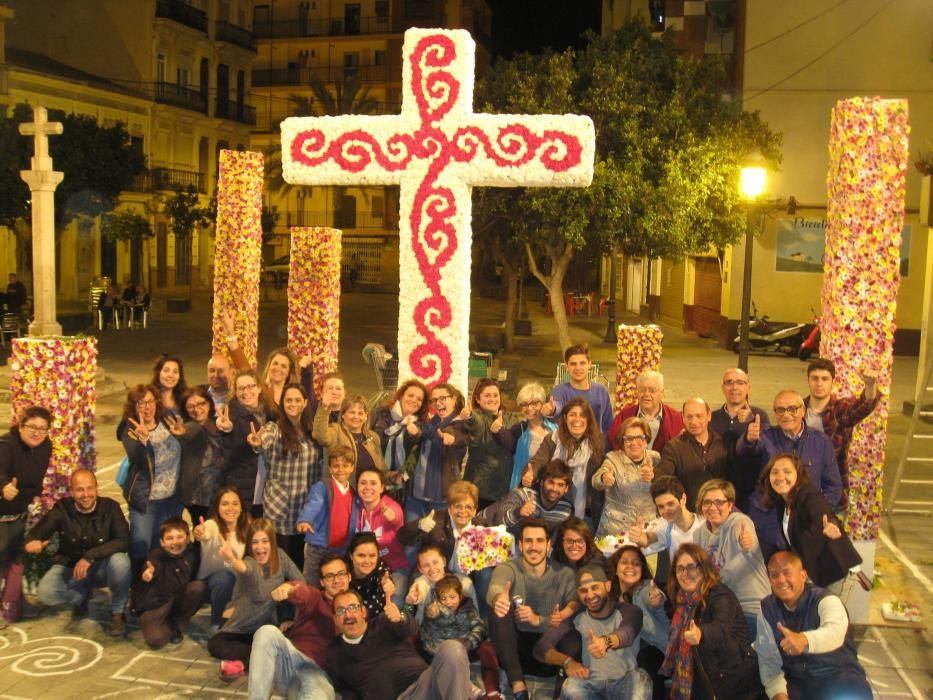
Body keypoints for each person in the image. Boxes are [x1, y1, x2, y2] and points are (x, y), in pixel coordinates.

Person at [25, 469, 130, 636]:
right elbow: (39, 531)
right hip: (71, 567)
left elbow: (123, 541)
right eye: (80, 490)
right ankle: (81, 597)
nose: (86, 494)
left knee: (121, 562)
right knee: (46, 593)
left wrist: (90, 557)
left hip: (101, 567)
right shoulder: (62, 509)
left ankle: (118, 613)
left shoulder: (111, 507)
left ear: (97, 488)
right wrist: (34, 540)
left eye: (90, 488)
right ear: (72, 492)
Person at [756, 551, 872, 700]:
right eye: (774, 575)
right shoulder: (767, 610)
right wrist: (778, 694)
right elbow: (768, 662)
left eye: (787, 573)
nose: (781, 580)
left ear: (803, 576)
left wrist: (805, 639)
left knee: (853, 691)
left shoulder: (827, 601)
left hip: (838, 675)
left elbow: (835, 632)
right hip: (797, 681)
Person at [487, 518, 578, 700]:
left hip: (548, 653)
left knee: (574, 633)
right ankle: (517, 684)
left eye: (539, 541)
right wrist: (499, 599)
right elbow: (495, 588)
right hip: (514, 653)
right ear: (520, 545)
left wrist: (539, 620)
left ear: (548, 545)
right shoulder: (508, 568)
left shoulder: (565, 574)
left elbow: (575, 604)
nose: (534, 547)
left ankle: (562, 692)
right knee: (497, 612)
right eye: (528, 541)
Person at [329, 588, 476, 700]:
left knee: (453, 648)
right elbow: (347, 693)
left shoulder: (383, 621)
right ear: (335, 619)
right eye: (341, 611)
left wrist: (400, 617)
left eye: (353, 608)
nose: (348, 615)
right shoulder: (335, 653)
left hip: (426, 683)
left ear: (363, 611)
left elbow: (410, 628)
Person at [536, 561, 651, 700]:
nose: (590, 595)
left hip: (624, 682)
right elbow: (541, 648)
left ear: (607, 586)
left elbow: (628, 632)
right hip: (591, 686)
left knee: (641, 679)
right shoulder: (576, 617)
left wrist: (606, 642)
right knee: (570, 686)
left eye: (595, 587)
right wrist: (567, 662)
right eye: (583, 591)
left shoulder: (628, 610)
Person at [662, 543, 764, 700]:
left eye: (691, 567)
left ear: (703, 569)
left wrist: (701, 633)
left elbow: (721, 628)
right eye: (679, 568)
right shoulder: (682, 604)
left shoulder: (720, 595)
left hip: (734, 686)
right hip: (704, 685)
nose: (685, 574)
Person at [208, 518, 304, 680]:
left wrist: (289, 587)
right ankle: (253, 661)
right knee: (215, 645)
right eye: (254, 542)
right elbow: (244, 569)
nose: (260, 547)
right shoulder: (249, 562)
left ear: (272, 542)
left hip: (262, 627)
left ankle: (247, 662)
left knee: (289, 639)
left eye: (265, 541)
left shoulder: (280, 556)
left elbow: (302, 583)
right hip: (237, 629)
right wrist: (231, 559)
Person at [752, 454, 862, 592]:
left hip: (834, 572)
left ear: (798, 474)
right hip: (814, 574)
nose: (780, 477)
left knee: (828, 613)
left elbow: (823, 517)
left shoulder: (809, 496)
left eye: (787, 471)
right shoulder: (783, 502)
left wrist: (831, 527)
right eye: (775, 472)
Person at [247, 553, 351, 700]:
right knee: (267, 632)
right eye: (329, 576)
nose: (336, 580)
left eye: (341, 574)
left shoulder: (356, 611)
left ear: (349, 577)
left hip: (318, 675)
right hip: (290, 660)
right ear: (322, 582)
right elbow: (303, 591)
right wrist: (288, 588)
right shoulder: (316, 597)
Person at [248, 383, 319, 569]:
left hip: (305, 509)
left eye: (297, 400)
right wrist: (257, 442)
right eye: (288, 400)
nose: (293, 404)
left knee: (298, 561)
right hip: (280, 510)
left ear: (305, 403)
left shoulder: (313, 431)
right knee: (278, 563)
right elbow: (264, 440)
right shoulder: (274, 428)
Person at [117, 384, 184, 578]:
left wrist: (184, 434)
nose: (147, 407)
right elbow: (136, 457)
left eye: (150, 402)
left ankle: (156, 588)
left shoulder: (167, 418)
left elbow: (185, 441)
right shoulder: (129, 428)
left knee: (160, 546)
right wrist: (144, 441)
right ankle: (136, 582)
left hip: (172, 498)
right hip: (146, 498)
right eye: (141, 403)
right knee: (141, 543)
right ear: (133, 406)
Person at [739, 390, 843, 507]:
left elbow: (833, 487)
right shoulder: (765, 436)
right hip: (770, 513)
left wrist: (817, 510)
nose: (786, 415)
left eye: (792, 409)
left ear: (803, 411)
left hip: (806, 514)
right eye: (780, 410)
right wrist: (749, 439)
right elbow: (743, 451)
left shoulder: (821, 442)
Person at [694, 479, 770, 636]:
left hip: (751, 607)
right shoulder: (699, 534)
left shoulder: (739, 522)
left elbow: (748, 543)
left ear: (730, 505)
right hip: (722, 609)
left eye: (719, 502)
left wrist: (748, 544)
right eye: (707, 502)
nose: (712, 507)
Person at [0, 406, 52, 623]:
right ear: (20, 426)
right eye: (32, 427)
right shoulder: (6, 445)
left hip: (22, 512)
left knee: (17, 557)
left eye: (43, 429)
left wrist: (37, 497)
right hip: (3, 511)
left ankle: (11, 604)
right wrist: (3, 487)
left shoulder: (45, 446)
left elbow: (37, 478)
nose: (37, 433)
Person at [803, 359, 879, 499]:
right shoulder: (798, 409)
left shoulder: (841, 409)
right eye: (815, 378)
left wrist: (870, 385)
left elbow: (864, 406)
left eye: (825, 379)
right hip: (801, 492)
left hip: (832, 493)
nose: (819, 384)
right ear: (808, 380)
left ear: (833, 381)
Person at [419, 574, 503, 699]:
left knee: (487, 648)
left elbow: (479, 627)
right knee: (449, 669)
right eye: (443, 598)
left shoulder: (468, 608)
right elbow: (429, 638)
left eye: (452, 597)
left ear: (460, 596)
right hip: (446, 655)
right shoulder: (433, 611)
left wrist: (469, 642)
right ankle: (472, 691)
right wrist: (432, 618)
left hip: (467, 647)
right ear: (438, 599)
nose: (448, 602)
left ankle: (493, 691)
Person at [529, 397, 606, 522]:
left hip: (589, 512)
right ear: (565, 418)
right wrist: (531, 474)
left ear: (589, 419)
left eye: (582, 415)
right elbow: (538, 463)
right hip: (556, 508)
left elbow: (608, 466)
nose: (577, 419)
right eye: (572, 415)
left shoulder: (600, 442)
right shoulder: (553, 438)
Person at [135, 517, 207, 649]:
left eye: (180, 537)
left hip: (176, 599)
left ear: (187, 538)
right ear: (162, 542)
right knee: (156, 641)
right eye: (169, 538)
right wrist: (148, 573)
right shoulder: (156, 555)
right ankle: (164, 623)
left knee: (198, 587)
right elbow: (151, 566)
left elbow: (200, 545)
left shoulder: (191, 554)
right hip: (156, 604)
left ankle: (178, 624)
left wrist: (201, 535)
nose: (175, 542)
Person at [609, 546, 670, 700]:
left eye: (636, 563)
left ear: (642, 570)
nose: (630, 567)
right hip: (626, 653)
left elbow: (654, 598)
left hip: (656, 651)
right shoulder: (611, 597)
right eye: (624, 562)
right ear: (616, 569)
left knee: (644, 658)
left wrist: (656, 600)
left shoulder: (644, 588)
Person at [295, 445, 360, 586]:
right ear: (330, 469)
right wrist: (305, 519)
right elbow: (313, 504)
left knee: (334, 585)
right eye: (336, 466)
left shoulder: (354, 494)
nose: (340, 469)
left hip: (341, 549)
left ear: (352, 468)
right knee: (311, 583)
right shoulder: (323, 486)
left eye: (345, 465)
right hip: (319, 547)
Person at [215, 369, 276, 516]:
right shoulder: (232, 414)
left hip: (265, 490)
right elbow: (227, 431)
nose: (246, 391)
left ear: (259, 388)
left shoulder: (269, 413)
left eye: (251, 386)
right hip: (242, 489)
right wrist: (226, 428)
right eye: (241, 388)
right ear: (235, 392)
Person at [404, 383, 467, 521]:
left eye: (443, 398)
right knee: (412, 538)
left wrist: (450, 438)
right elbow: (422, 432)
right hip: (416, 495)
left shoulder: (460, 424)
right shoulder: (433, 422)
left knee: (437, 540)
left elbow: (455, 434)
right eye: (434, 400)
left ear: (454, 399)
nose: (438, 403)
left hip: (441, 499)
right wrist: (414, 432)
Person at [711, 368, 770, 510]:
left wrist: (751, 423)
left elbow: (766, 447)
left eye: (740, 382)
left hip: (750, 490)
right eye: (729, 382)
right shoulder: (711, 417)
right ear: (722, 388)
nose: (734, 387)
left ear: (748, 388)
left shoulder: (759, 416)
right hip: (719, 488)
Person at [656, 398, 729, 510]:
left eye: (699, 416)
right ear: (683, 418)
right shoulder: (673, 447)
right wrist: (652, 475)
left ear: (709, 416)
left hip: (718, 512)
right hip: (687, 514)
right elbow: (663, 477)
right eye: (689, 417)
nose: (694, 422)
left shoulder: (723, 444)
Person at [591, 416, 658, 538]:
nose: (634, 443)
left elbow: (664, 485)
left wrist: (654, 476)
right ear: (622, 441)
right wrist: (604, 478)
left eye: (639, 438)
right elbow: (595, 481)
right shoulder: (613, 458)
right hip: (616, 531)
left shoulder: (655, 458)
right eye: (629, 439)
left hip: (648, 529)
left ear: (646, 439)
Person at [193, 486, 249, 631]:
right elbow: (205, 532)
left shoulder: (249, 527)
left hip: (239, 580)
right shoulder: (213, 525)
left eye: (235, 503)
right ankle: (217, 623)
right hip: (214, 583)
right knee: (224, 578)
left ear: (242, 507)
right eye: (225, 504)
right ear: (217, 508)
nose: (230, 508)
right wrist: (200, 532)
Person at [627, 475, 705, 568]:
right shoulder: (666, 526)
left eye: (670, 504)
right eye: (661, 506)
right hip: (679, 580)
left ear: (683, 499)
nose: (666, 511)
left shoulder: (705, 524)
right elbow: (647, 539)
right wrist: (638, 535)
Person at [478, 458, 574, 533]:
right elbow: (498, 521)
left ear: (566, 488)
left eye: (560, 485)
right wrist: (518, 512)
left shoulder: (565, 509)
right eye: (551, 482)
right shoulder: (522, 495)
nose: (554, 488)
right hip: (483, 526)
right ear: (541, 482)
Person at [355, 466, 407, 604]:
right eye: (363, 483)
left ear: (382, 488)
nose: (367, 487)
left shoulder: (391, 507)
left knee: (395, 602)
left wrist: (393, 518)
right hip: (363, 569)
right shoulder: (354, 508)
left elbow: (396, 518)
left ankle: (406, 617)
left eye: (373, 483)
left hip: (394, 568)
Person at [492, 381, 557, 490]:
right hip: (523, 487)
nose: (529, 408)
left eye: (534, 404)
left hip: (551, 488)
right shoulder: (519, 430)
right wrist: (496, 430)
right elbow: (506, 441)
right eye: (524, 404)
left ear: (543, 404)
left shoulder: (555, 429)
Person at [461, 378, 514, 507]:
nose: (492, 399)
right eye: (487, 395)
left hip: (505, 489)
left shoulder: (510, 418)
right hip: (480, 491)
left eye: (495, 395)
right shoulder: (478, 417)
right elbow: (474, 423)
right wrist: (468, 416)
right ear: (478, 399)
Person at [370, 379, 429, 493]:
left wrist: (415, 435)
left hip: (399, 485)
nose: (414, 400)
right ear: (401, 396)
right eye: (410, 395)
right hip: (373, 475)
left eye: (419, 399)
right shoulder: (380, 413)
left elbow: (417, 457)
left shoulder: (421, 426)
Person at [178, 386, 224, 523]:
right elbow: (189, 433)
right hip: (199, 496)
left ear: (209, 403)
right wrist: (182, 433)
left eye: (201, 403)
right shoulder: (191, 427)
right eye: (190, 406)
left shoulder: (218, 423)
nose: (197, 409)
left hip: (220, 490)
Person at [543, 344, 614, 433]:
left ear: (589, 364)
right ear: (566, 367)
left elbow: (608, 424)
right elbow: (557, 406)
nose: (578, 368)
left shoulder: (601, 391)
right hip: (568, 444)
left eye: (582, 363)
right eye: (573, 364)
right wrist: (552, 410)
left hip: (597, 444)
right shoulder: (559, 391)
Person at [608, 371, 683, 453]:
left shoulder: (676, 419)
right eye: (642, 390)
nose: (647, 394)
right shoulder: (624, 416)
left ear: (662, 393)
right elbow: (614, 444)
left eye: (652, 390)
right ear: (637, 392)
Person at [312, 394, 385, 479]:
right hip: (342, 490)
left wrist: (390, 477)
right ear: (343, 414)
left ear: (366, 416)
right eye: (352, 412)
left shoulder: (374, 437)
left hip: (367, 490)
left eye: (360, 413)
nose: (356, 416)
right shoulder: (336, 430)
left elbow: (381, 468)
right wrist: (324, 409)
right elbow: (320, 436)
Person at [404, 543, 478, 623]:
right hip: (429, 631)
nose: (432, 569)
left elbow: (475, 616)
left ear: (444, 561)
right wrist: (409, 602)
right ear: (420, 569)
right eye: (426, 565)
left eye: (435, 562)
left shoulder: (463, 583)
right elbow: (407, 612)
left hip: (460, 630)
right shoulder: (422, 583)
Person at [347, 531, 397, 617]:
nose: (367, 561)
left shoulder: (380, 567)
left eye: (372, 555)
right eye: (361, 555)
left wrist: (388, 585)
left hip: (377, 624)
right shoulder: (343, 573)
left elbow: (385, 578)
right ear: (351, 555)